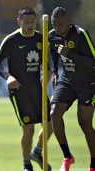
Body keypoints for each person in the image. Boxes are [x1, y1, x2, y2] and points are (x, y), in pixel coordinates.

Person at [0, 6, 53, 171]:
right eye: (26, 22)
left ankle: (37, 152)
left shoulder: (41, 39)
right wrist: (8, 77)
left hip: (38, 89)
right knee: (29, 129)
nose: (30, 25)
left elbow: (48, 62)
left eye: (33, 22)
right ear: (19, 22)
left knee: (51, 125)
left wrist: (48, 75)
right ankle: (26, 164)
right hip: (19, 91)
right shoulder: (11, 40)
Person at [49, 7, 95, 171]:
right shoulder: (52, 36)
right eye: (54, 25)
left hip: (88, 83)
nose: (57, 29)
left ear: (69, 23)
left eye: (61, 25)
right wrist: (54, 71)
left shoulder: (81, 34)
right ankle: (67, 157)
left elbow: (93, 62)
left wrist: (70, 55)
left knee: (84, 122)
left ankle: (94, 164)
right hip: (67, 81)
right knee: (54, 113)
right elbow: (53, 53)